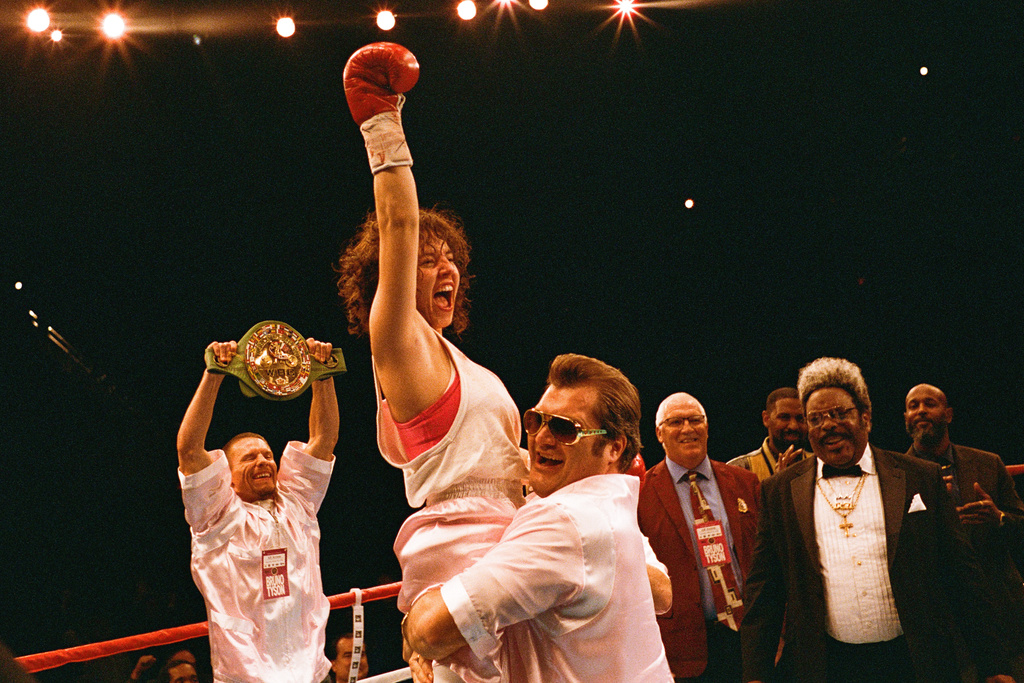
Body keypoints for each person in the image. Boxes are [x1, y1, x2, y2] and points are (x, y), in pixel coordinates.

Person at [336, 42, 530, 683]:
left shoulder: (463, 364)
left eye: (451, 259)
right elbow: (396, 222)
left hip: (512, 548)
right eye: (427, 257)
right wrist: (379, 120)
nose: (445, 266)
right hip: (460, 558)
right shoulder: (397, 339)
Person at [740, 357, 1016, 683]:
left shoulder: (919, 477)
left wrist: (993, 665)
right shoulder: (780, 490)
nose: (828, 424)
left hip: (915, 661)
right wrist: (755, 674)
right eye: (815, 418)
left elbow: (962, 576)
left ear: (866, 417)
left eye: (840, 413)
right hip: (826, 665)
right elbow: (765, 590)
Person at [402, 354, 673, 682]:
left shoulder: (562, 523)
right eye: (536, 420)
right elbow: (662, 592)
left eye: (563, 428)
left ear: (614, 448)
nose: (542, 437)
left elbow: (430, 632)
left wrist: (411, 624)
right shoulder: (613, 503)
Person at [176, 339, 339, 683]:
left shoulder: (298, 502)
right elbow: (189, 450)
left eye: (267, 454)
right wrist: (214, 374)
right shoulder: (216, 518)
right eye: (249, 458)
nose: (263, 460)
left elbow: (323, 439)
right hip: (248, 676)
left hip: (313, 671)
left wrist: (323, 375)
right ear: (226, 478)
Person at [639, 393, 760, 682]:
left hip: (749, 638)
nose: (687, 429)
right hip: (681, 647)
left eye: (695, 420)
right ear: (659, 433)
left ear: (707, 427)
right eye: (675, 422)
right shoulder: (640, 494)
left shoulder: (745, 482)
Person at [904, 383, 1024, 666]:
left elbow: (1021, 526)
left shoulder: (989, 464)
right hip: (938, 617)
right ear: (906, 417)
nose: (921, 410)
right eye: (913, 405)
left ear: (948, 414)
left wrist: (999, 519)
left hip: (1000, 611)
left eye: (930, 403)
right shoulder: (896, 475)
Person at [727, 388, 809, 480]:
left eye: (800, 418)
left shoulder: (821, 464)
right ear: (766, 419)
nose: (793, 426)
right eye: (784, 417)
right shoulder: (737, 469)